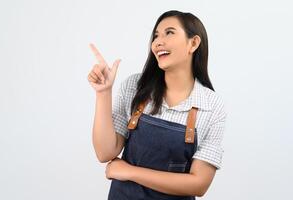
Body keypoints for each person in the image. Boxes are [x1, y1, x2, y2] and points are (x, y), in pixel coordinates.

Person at [87, 10, 227, 200]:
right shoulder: (135, 87)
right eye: (156, 36)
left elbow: (199, 184)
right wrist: (103, 93)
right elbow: (105, 152)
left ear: (193, 43)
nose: (158, 42)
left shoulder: (211, 105)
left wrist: (129, 172)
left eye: (169, 33)